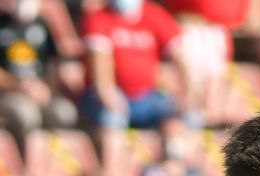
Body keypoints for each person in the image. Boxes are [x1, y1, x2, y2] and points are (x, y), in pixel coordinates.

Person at [0, 0, 82, 139]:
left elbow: (53, 65)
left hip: (39, 92)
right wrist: (15, 85)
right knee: (26, 114)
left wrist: (46, 89)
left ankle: (53, 155)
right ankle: (22, 155)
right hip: (5, 93)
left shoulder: (42, 25)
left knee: (64, 113)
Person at [81, 0, 191, 130]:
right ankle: (113, 149)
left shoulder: (154, 14)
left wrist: (187, 94)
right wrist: (107, 93)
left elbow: (180, 56)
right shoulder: (99, 17)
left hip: (148, 96)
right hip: (114, 95)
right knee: (112, 121)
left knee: (180, 121)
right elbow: (99, 60)